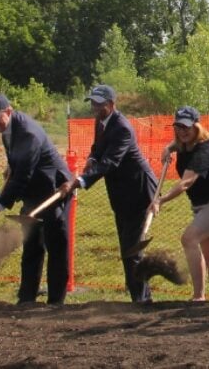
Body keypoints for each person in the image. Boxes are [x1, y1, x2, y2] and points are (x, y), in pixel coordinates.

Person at [57, 85, 156, 303]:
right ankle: (139, 297)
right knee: (127, 247)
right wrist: (92, 158)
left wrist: (80, 181)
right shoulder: (101, 122)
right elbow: (99, 149)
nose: (94, 107)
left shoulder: (122, 127)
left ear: (111, 105)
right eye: (92, 103)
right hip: (121, 194)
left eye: (99, 104)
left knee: (132, 249)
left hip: (138, 191)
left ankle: (142, 300)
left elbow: (110, 162)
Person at [0, 94, 73, 305]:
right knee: (31, 244)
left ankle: (56, 303)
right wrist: (10, 166)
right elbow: (17, 167)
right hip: (32, 193)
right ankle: (26, 299)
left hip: (53, 191)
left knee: (56, 245)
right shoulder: (7, 131)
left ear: (8, 111)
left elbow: (23, 175)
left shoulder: (29, 133)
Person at [150, 106, 209, 302]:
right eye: (179, 126)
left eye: (187, 127)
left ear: (197, 126)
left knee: (189, 239)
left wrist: (160, 200)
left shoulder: (205, 149)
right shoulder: (183, 144)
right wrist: (167, 148)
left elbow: (186, 182)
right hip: (201, 205)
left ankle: (198, 297)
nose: (183, 131)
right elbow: (176, 144)